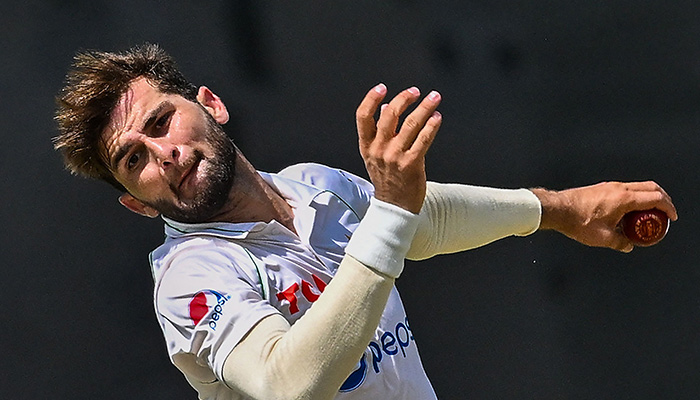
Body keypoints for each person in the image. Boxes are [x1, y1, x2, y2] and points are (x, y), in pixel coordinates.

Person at [54, 44, 677, 400]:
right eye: (133, 159)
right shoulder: (191, 278)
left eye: (162, 121)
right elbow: (288, 383)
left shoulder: (312, 186)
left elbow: (420, 222)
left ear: (210, 104)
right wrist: (390, 212)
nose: (162, 153)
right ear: (136, 202)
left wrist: (561, 210)